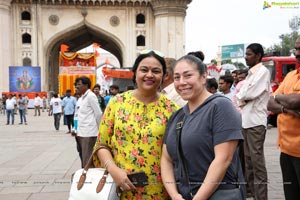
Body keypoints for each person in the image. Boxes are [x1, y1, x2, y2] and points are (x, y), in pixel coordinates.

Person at [93, 50, 178, 199]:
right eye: (144, 70)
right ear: (135, 73)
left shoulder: (172, 110)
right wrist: (114, 170)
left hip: (159, 191)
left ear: (164, 76)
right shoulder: (117, 103)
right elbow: (101, 145)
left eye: (156, 71)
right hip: (120, 188)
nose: (149, 75)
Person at [161, 55, 244, 200]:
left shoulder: (220, 107)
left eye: (188, 76)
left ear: (203, 77)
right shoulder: (177, 116)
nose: (182, 82)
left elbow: (223, 159)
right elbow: (166, 158)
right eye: (176, 77)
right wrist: (174, 195)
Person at [236, 43, 270, 200]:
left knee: (257, 164)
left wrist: (243, 97)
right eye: (246, 54)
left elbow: (249, 93)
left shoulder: (262, 72)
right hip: (246, 121)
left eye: (249, 54)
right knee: (248, 163)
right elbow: (240, 94)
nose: (246, 57)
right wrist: (243, 97)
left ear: (258, 56)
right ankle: (252, 194)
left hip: (256, 122)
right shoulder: (250, 73)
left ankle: (261, 197)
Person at [267, 37, 300, 200]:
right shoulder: (291, 75)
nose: (298, 54)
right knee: (291, 194)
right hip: (286, 150)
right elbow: (269, 102)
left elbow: (297, 101)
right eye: (296, 49)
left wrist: (280, 97)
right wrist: (286, 107)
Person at [73, 76, 102, 168]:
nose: (77, 87)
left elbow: (98, 114)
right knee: (83, 158)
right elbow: (77, 115)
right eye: (76, 85)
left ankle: (89, 179)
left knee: (88, 159)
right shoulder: (81, 99)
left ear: (86, 85)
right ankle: (84, 176)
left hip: (89, 133)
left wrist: (100, 130)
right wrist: (75, 128)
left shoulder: (91, 96)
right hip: (80, 133)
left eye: (79, 85)